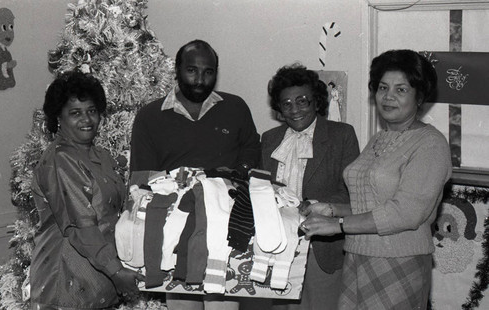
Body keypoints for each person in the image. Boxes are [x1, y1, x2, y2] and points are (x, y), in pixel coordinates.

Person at [300, 49, 452, 309]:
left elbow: (405, 213)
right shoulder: (378, 139)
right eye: (383, 87)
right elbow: (373, 204)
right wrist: (331, 209)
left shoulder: (431, 144)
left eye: (401, 90)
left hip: (399, 262)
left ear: (420, 96)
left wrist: (337, 224)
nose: (388, 96)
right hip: (357, 256)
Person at [130, 39, 261, 310]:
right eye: (192, 70)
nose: (200, 79)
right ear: (177, 70)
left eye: (208, 71)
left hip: (225, 227)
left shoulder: (236, 108)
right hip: (173, 228)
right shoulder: (150, 116)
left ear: (216, 71)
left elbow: (251, 160)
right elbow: (141, 179)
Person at [30, 70, 144, 309]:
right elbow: (82, 226)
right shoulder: (61, 159)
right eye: (75, 113)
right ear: (58, 117)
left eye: (91, 111)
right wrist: (115, 271)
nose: (86, 119)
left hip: (100, 279)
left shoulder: (100, 155)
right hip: (67, 283)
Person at [260, 63, 360, 309]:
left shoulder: (342, 135)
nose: (294, 110)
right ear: (279, 108)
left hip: (320, 246)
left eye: (302, 101)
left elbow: (350, 191)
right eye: (286, 103)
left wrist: (316, 205)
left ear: (316, 101)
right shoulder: (269, 139)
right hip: (275, 245)